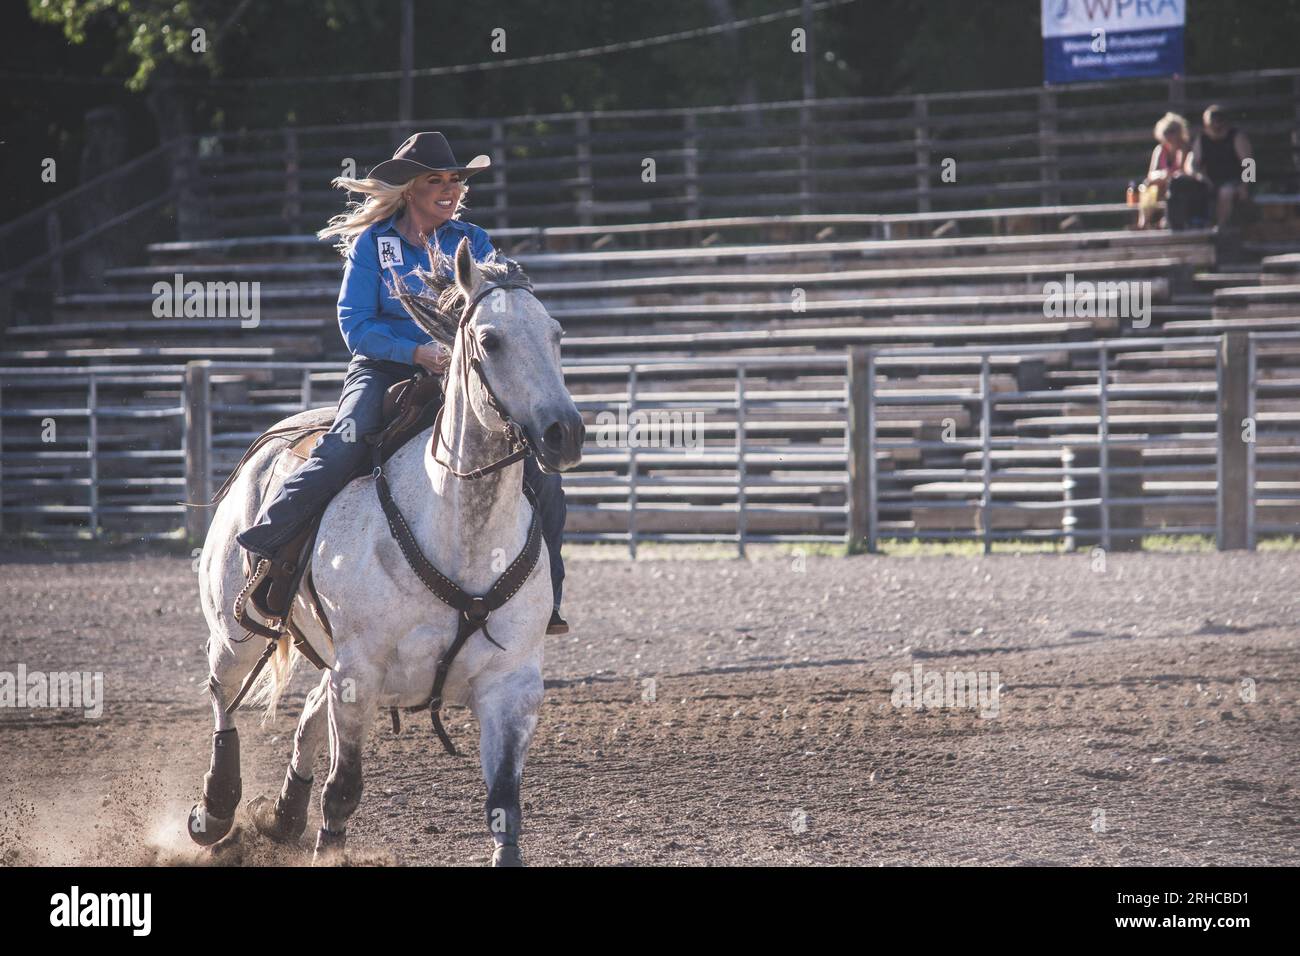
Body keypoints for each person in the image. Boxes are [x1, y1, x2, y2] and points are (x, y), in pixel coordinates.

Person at [236, 131, 571, 635]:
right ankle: (269, 547)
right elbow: (355, 323)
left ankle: (547, 598)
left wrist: (456, 354)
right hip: (384, 368)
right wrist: (413, 351)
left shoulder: (474, 242)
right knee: (343, 448)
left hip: (464, 375)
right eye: (435, 180)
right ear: (409, 189)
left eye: (455, 180)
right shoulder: (374, 244)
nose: (449, 189)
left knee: (540, 476)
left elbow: (492, 312)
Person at [1185, 104, 1254, 229]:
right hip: (1210, 181)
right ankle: (1196, 227)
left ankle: (1221, 228)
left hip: (1234, 181)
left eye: (1219, 122)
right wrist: (1198, 176)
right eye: (1213, 123)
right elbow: (1192, 163)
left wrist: (1245, 186)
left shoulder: (1236, 137)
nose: (1216, 126)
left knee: (1225, 192)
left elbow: (1249, 163)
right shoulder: (1202, 139)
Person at [1137, 112, 1190, 229]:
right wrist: (1164, 175)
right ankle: (1143, 222)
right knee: (1147, 187)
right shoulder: (1160, 150)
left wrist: (1168, 176)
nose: (1169, 136)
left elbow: (1183, 172)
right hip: (1162, 184)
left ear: (1179, 132)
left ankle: (1167, 221)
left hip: (1179, 186)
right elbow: (1151, 174)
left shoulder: (1184, 148)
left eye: (1172, 131)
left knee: (1172, 186)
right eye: (1166, 132)